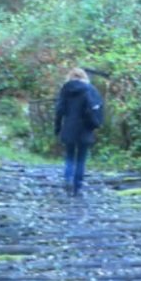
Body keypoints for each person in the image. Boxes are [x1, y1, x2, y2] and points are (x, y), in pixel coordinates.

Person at [54, 65, 103, 195]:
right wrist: (96, 124)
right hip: (85, 128)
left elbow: (59, 110)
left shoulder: (65, 90)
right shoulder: (91, 90)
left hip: (69, 127)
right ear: (84, 77)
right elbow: (97, 108)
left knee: (70, 155)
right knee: (81, 158)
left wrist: (57, 127)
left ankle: (68, 179)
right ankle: (77, 186)